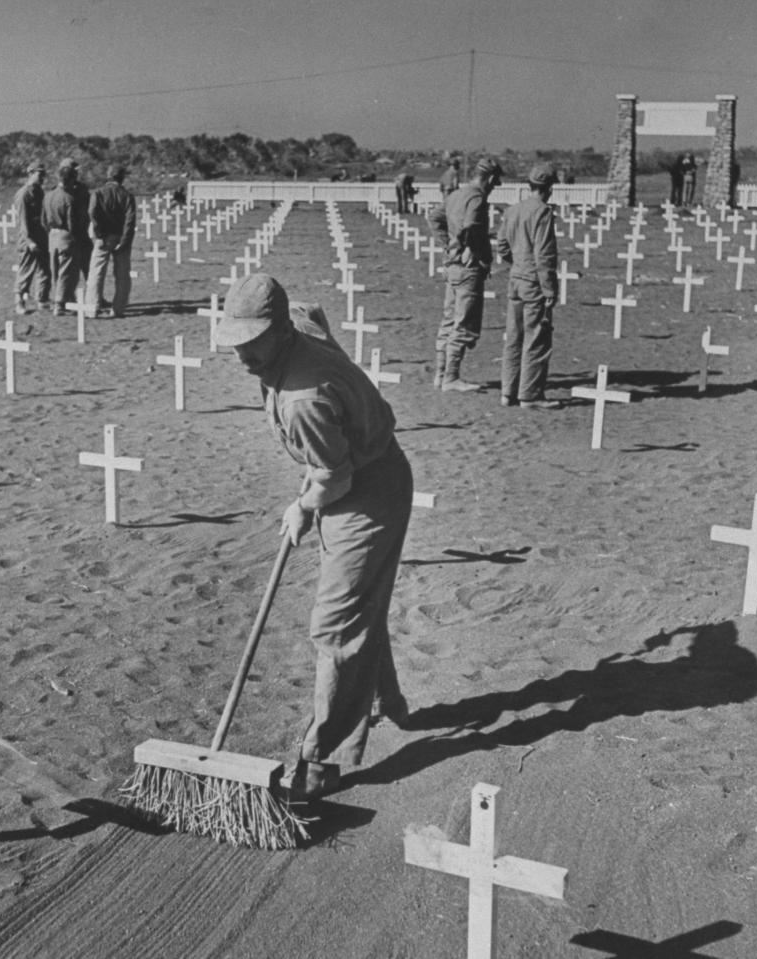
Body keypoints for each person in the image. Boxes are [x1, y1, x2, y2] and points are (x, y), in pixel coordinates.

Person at [215, 273, 413, 801]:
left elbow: (336, 478)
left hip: (367, 492)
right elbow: (312, 309)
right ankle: (384, 701)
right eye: (235, 342)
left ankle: (324, 756)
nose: (242, 357)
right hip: (352, 472)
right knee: (354, 604)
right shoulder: (296, 324)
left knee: (335, 623)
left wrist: (303, 505)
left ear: (280, 332)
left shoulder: (304, 398)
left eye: (252, 343)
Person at [426, 155, 503, 391]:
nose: (493, 187)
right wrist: (469, 248)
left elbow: (434, 217)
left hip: (452, 265)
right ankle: (451, 377)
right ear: (489, 178)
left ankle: (440, 374)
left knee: (449, 318)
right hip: (468, 268)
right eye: (494, 182)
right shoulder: (477, 199)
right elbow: (470, 227)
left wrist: (447, 244)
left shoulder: (456, 194)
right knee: (464, 321)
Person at [497, 162, 561, 411]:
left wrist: (518, 264)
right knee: (536, 338)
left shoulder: (513, 210)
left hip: (516, 279)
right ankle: (530, 395)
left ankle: (508, 392)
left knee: (514, 337)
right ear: (549, 187)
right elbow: (544, 254)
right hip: (534, 282)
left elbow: (502, 246)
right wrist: (549, 289)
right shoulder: (542, 212)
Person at [85, 165, 136, 318]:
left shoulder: (99, 193)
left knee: (96, 272)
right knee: (122, 274)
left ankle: (91, 308)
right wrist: (125, 240)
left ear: (108, 176)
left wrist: (99, 232)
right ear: (121, 177)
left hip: (103, 237)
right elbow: (130, 220)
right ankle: (118, 308)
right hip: (120, 237)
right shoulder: (127, 196)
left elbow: (92, 212)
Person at [41, 158, 85, 316]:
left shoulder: (48, 195)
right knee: (66, 272)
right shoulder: (69, 198)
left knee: (55, 272)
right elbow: (72, 223)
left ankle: (61, 300)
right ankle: (60, 304)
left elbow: (43, 220)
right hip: (66, 237)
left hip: (52, 237)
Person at [12, 160, 51, 316]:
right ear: (30, 173)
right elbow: (23, 221)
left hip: (41, 235)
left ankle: (42, 299)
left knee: (45, 269)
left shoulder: (39, 192)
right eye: (39, 174)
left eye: (43, 175)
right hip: (28, 238)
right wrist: (29, 241)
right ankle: (19, 300)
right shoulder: (24, 194)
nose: (42, 178)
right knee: (26, 270)